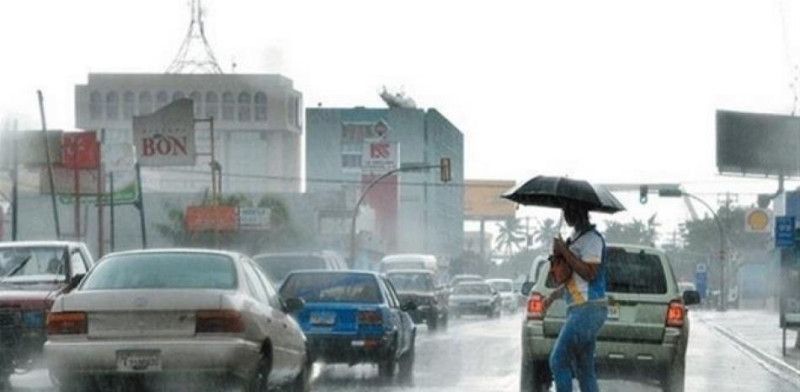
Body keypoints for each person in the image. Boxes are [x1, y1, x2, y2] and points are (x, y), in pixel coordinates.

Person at [544, 201, 608, 392]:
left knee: (558, 360)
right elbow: (572, 282)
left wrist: (565, 251)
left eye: (569, 209)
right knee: (584, 368)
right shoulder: (575, 238)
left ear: (580, 210)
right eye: (564, 210)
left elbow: (589, 273)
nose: (565, 214)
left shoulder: (592, 239)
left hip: (588, 309)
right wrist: (552, 296)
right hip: (579, 309)